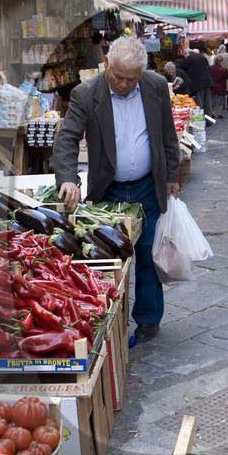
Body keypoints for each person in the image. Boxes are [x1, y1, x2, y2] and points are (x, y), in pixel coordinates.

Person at [53, 36, 183, 341]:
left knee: (149, 254)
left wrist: (172, 175)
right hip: (107, 191)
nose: (124, 84)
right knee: (108, 258)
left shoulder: (154, 87)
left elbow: (167, 134)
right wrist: (68, 178)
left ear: (142, 72)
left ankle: (149, 318)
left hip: (147, 188)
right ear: (107, 64)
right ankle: (106, 316)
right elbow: (67, 139)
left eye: (131, 79)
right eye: (118, 77)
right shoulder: (86, 94)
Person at [175, 38, 213, 117]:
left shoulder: (188, 58)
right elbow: (208, 68)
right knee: (207, 102)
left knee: (198, 103)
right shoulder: (202, 57)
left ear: (187, 54)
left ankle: (199, 120)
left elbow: (178, 68)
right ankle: (209, 120)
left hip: (197, 84)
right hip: (207, 82)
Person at [208, 53, 228, 119]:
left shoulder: (210, 68)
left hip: (212, 87)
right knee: (221, 102)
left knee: (212, 101)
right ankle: (219, 114)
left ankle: (211, 113)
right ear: (221, 62)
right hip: (221, 87)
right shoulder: (224, 69)